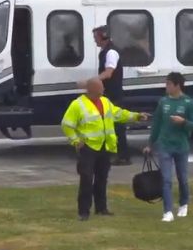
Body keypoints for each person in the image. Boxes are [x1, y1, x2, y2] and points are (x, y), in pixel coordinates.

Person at [61, 78, 148, 221]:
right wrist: (75, 140)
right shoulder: (77, 105)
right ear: (91, 90)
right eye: (100, 88)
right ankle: (83, 212)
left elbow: (119, 114)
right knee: (87, 179)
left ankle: (101, 208)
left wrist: (136, 116)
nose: (103, 90)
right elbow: (66, 124)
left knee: (102, 178)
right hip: (88, 147)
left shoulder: (105, 102)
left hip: (104, 146)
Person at [144, 72, 193, 223]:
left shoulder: (188, 102)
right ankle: (167, 211)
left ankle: (183, 204)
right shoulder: (163, 102)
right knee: (166, 179)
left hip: (181, 145)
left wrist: (183, 122)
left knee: (182, 178)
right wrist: (150, 144)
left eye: (168, 84)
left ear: (177, 85)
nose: (166, 86)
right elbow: (156, 124)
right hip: (164, 145)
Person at [93, 26, 132, 166]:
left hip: (114, 95)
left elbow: (109, 72)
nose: (95, 41)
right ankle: (111, 153)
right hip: (108, 94)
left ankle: (123, 155)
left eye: (96, 37)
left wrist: (94, 80)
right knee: (109, 125)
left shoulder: (111, 53)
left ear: (103, 37)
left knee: (118, 126)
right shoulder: (104, 52)